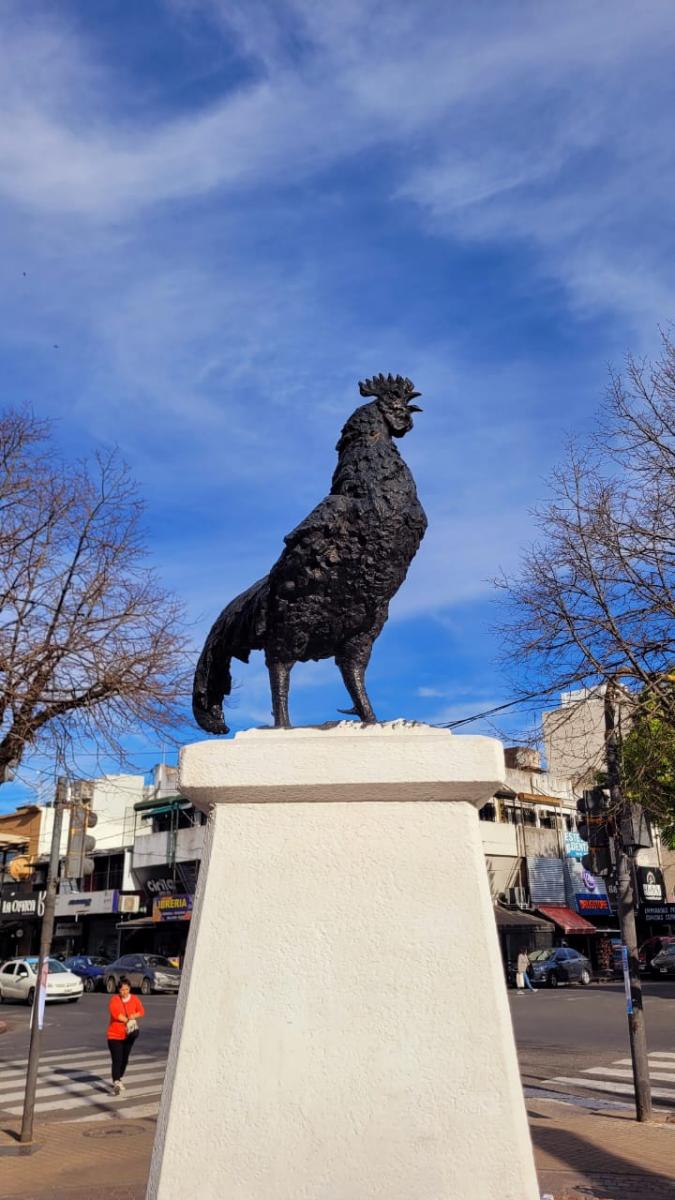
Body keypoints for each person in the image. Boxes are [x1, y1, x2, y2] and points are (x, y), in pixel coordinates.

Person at [107, 976, 145, 1094]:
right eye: (122, 990)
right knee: (117, 1059)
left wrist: (134, 1015)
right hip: (114, 1035)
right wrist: (127, 1020)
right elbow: (115, 1014)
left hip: (129, 1035)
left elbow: (142, 1011)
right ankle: (116, 1081)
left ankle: (119, 1078)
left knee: (125, 1059)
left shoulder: (134, 999)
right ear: (119, 990)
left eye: (127, 989)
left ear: (129, 989)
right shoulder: (114, 1000)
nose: (124, 992)